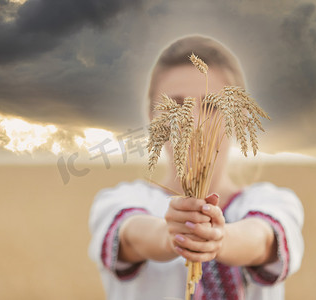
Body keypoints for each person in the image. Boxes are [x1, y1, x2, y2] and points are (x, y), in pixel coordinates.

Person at [88, 35, 304, 300]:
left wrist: (218, 238)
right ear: (152, 118)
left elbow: (262, 239)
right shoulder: (121, 200)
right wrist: (170, 236)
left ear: (239, 117)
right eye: (175, 105)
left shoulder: (273, 202)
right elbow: (132, 235)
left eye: (212, 105)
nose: (193, 122)